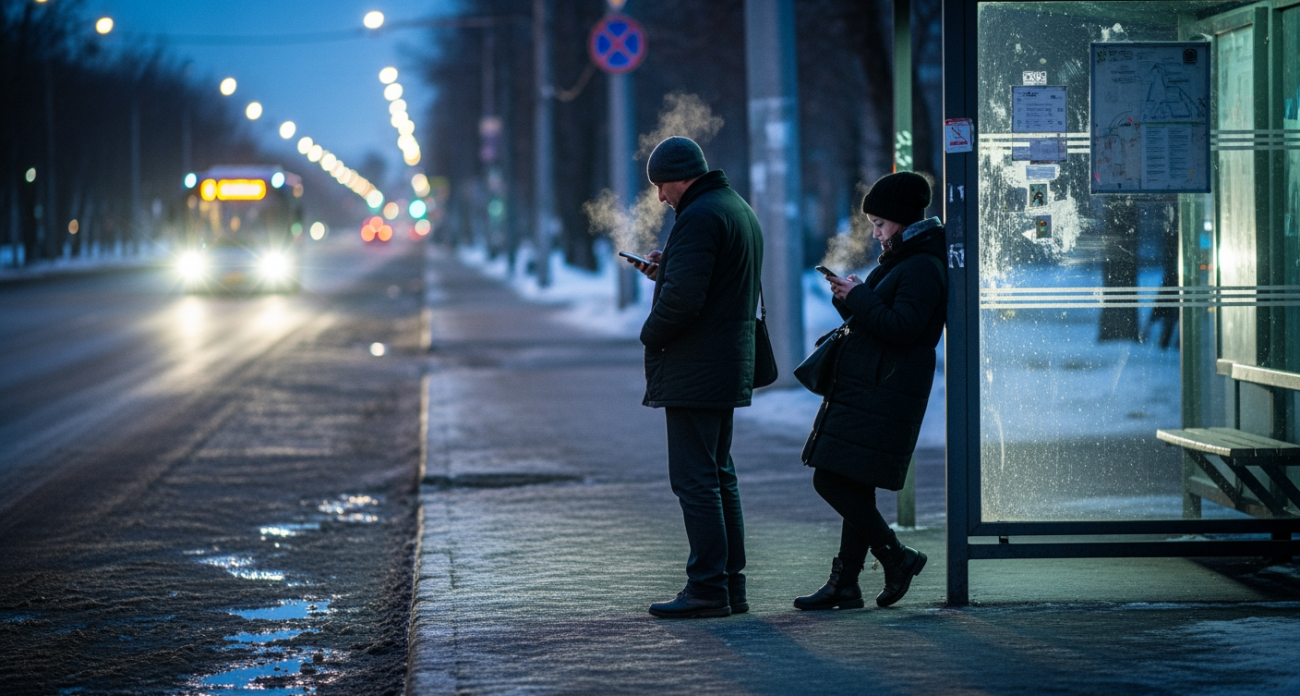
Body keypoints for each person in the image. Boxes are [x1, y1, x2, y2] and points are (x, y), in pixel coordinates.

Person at [625, 136, 764, 619]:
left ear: (680, 177)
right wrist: (667, 269)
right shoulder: (733, 208)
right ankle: (730, 585)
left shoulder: (699, 217)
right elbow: (713, 280)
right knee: (719, 476)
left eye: (662, 186)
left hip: (697, 366)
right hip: (722, 362)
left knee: (695, 480)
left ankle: (706, 588)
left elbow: (685, 302)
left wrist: (650, 332)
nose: (661, 197)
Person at [795, 171, 946, 610]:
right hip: (874, 387)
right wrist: (850, 297)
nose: (876, 232)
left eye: (880, 224)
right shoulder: (904, 258)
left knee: (832, 479)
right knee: (852, 483)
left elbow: (904, 328)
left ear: (900, 220)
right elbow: (882, 318)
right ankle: (844, 584)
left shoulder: (921, 264)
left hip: (886, 390)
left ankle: (896, 557)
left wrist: (860, 298)